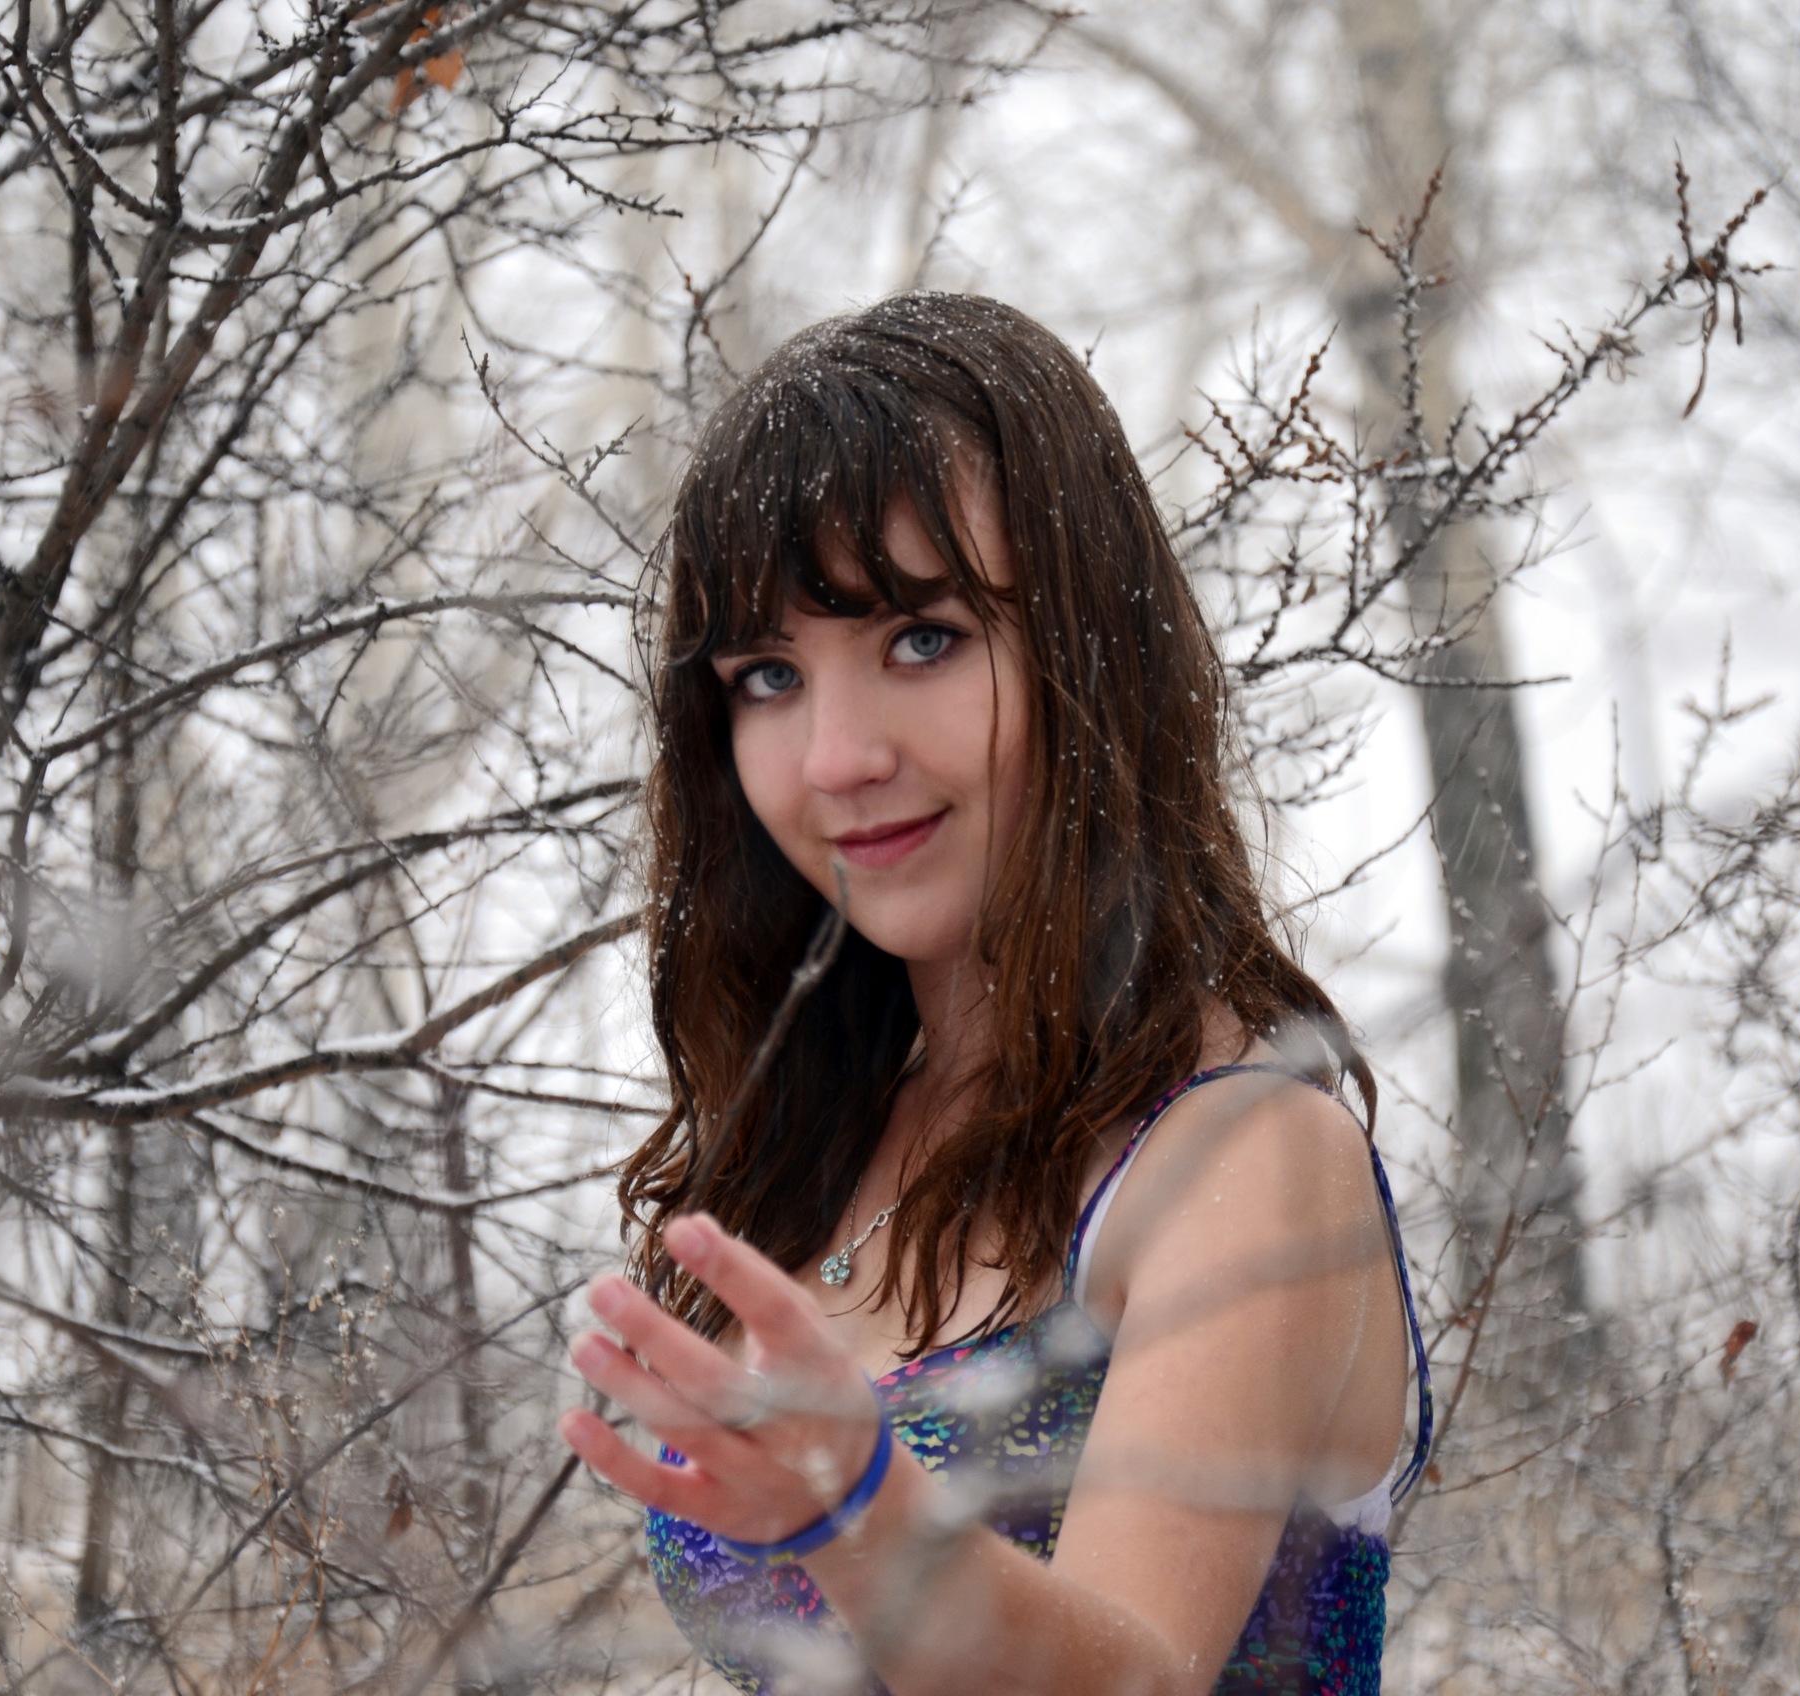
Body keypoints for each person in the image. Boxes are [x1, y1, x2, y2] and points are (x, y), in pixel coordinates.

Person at [557, 293, 1432, 1696]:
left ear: (1088, 651)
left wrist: (866, 1518)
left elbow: (1134, 1678)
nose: (837, 758)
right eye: (768, 676)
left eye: (922, 640)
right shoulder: (820, 1149)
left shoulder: (1248, 1155)